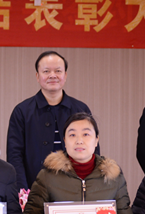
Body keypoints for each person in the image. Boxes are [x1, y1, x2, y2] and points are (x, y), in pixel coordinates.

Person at [7, 51, 96, 191]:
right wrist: (23, 192)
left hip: (75, 188)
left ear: (65, 75)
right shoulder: (22, 111)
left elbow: (92, 151)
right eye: (46, 71)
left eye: (58, 71)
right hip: (34, 188)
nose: (52, 75)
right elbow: (15, 156)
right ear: (37, 76)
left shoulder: (80, 109)